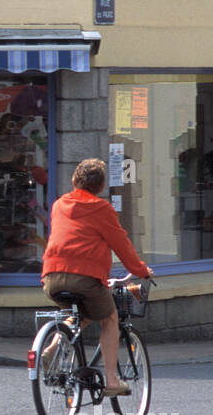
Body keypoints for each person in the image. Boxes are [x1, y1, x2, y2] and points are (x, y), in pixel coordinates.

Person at [40, 158, 153, 396]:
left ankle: (53, 347)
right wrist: (142, 271)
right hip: (85, 279)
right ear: (101, 186)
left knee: (83, 312)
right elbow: (122, 246)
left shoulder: (59, 204)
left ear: (74, 180)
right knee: (110, 317)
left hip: (51, 278)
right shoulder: (101, 209)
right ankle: (111, 381)